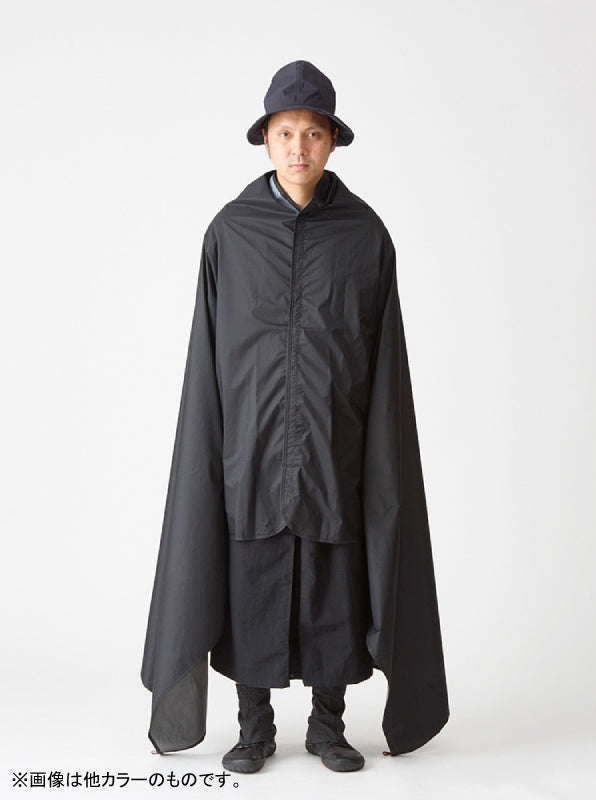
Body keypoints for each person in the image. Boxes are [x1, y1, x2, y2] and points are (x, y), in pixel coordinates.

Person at [140, 59, 449, 775]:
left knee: (333, 590)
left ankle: (328, 726)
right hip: (248, 451)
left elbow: (385, 358)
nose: (299, 147)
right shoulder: (231, 233)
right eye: (286, 132)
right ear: (266, 140)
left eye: (313, 132)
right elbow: (207, 353)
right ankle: (253, 727)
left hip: (337, 450)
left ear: (332, 141)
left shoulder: (365, 236)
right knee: (250, 586)